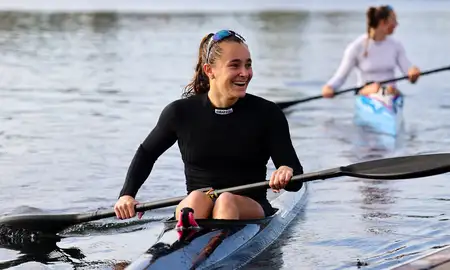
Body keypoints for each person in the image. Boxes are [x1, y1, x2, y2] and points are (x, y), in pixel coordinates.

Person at [114, 30, 304, 229]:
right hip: (197, 204)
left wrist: (285, 171)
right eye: (235, 65)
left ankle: (206, 243)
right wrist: (127, 195)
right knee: (197, 197)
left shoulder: (267, 113)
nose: (245, 73)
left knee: (226, 201)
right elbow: (146, 153)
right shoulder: (180, 112)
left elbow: (296, 180)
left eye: (248, 65)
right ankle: (188, 235)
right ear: (209, 70)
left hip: (250, 207)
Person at [322, 5, 421, 99]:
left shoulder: (396, 45)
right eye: (393, 21)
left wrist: (413, 73)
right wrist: (329, 88)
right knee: (376, 88)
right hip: (366, 93)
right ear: (383, 23)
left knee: (389, 89)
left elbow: (408, 70)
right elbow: (340, 78)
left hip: (391, 94)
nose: (396, 24)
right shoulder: (356, 47)